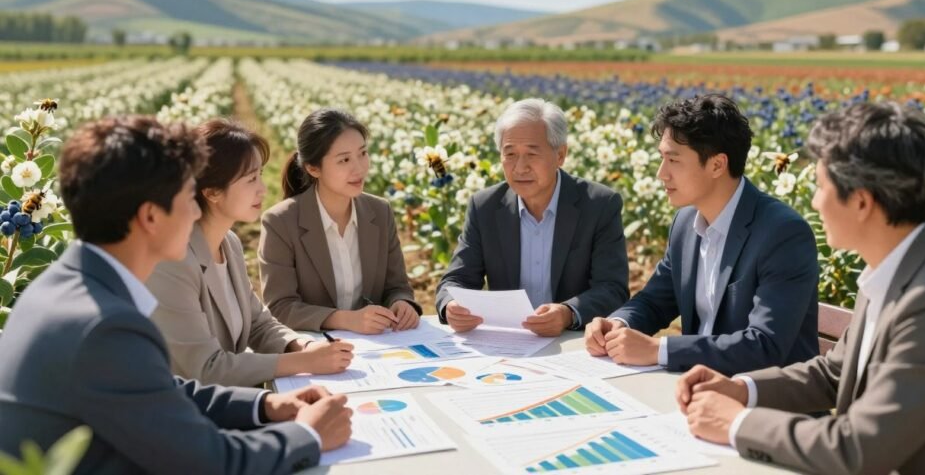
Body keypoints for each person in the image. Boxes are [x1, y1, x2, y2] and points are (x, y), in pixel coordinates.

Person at [678, 102, 925, 475]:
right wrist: (741, 389)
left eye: (821, 187)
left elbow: (860, 448)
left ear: (861, 201)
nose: (814, 202)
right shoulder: (901, 263)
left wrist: (736, 422)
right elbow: (836, 373)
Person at [0, 115, 352, 474]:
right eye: (188, 197)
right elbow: (208, 462)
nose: (197, 209)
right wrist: (308, 433)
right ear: (151, 217)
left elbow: (162, 388)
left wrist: (264, 405)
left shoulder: (68, 287)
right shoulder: (106, 325)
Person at [585, 94, 819, 374]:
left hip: (766, 403)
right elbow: (655, 301)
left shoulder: (782, 233)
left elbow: (765, 345)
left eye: (673, 160)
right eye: (662, 158)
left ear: (717, 165)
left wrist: (657, 350)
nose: (662, 173)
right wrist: (617, 325)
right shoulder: (685, 222)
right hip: (696, 387)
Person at [149, 119, 354, 387]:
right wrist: (304, 362)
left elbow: (258, 323)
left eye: (260, 175)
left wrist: (301, 345)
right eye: (251, 179)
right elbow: (204, 369)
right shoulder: (173, 261)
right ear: (211, 192)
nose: (263, 188)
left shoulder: (229, 243)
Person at [436, 98, 629, 337]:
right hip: (507, 342)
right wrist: (451, 306)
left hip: (573, 341)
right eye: (510, 154)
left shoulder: (599, 205)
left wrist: (568, 312)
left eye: (531, 153)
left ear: (560, 155)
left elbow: (612, 288)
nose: (519, 167)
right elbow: (456, 279)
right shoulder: (484, 206)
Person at [260, 108, 421, 334]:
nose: (359, 168)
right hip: (314, 349)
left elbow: (397, 286)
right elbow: (280, 307)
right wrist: (345, 320)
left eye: (363, 153)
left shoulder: (380, 211)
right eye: (344, 159)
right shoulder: (280, 222)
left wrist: (402, 303)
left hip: (379, 348)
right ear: (313, 168)